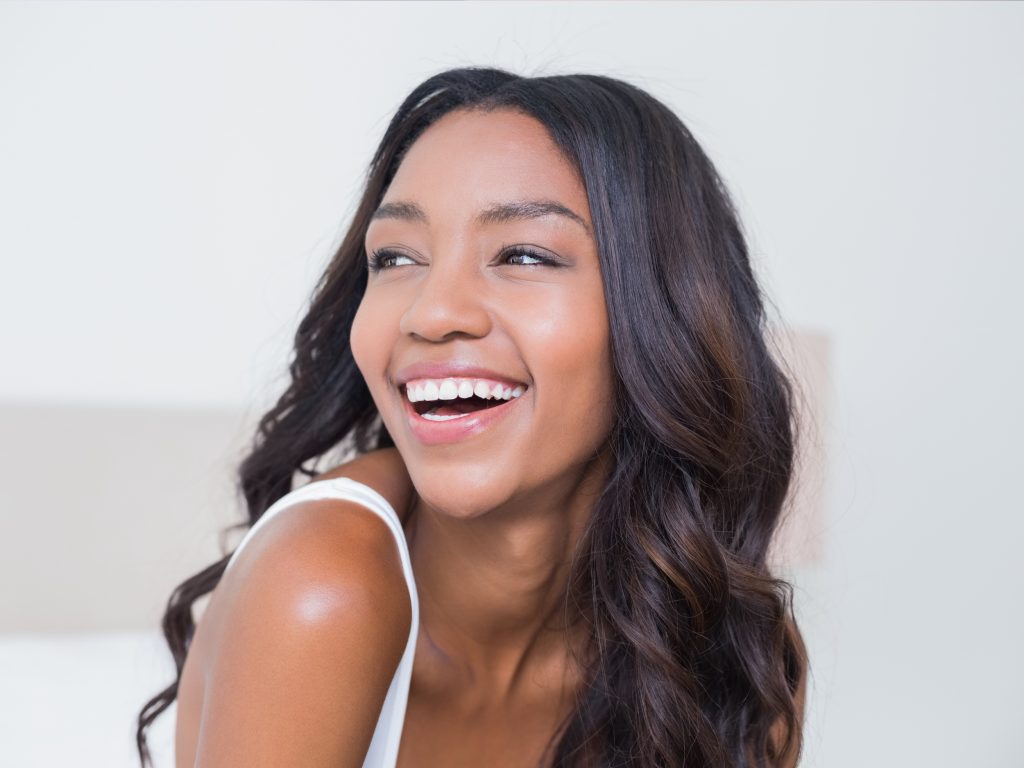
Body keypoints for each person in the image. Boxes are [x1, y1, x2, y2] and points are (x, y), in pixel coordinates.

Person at [137, 66, 808, 768]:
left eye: (522, 254)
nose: (431, 313)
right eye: (395, 257)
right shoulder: (321, 587)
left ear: (664, 315)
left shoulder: (730, 648)